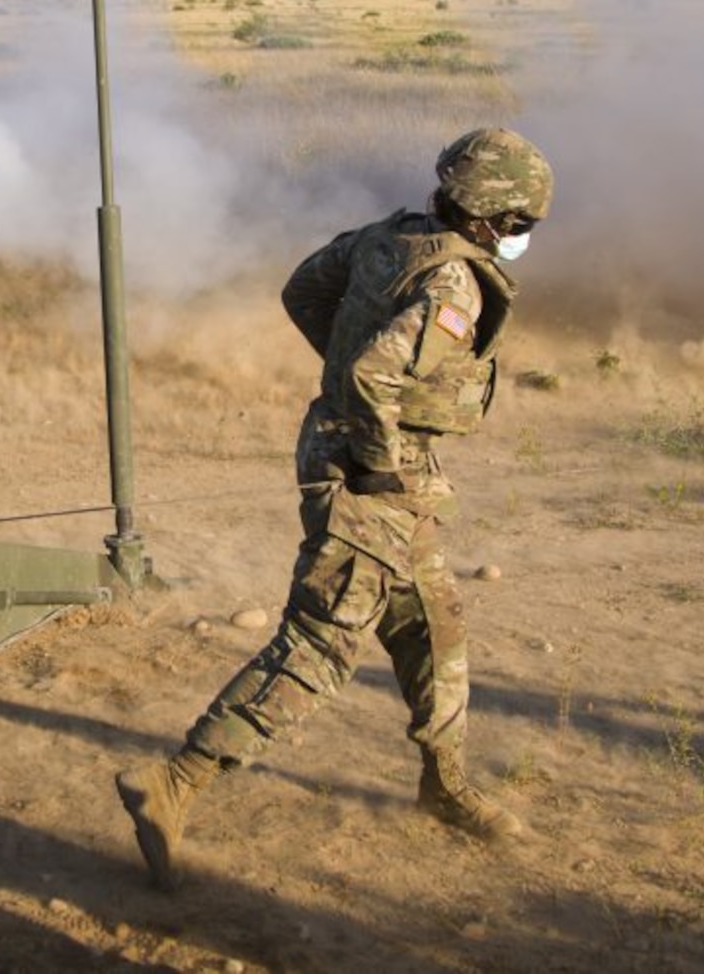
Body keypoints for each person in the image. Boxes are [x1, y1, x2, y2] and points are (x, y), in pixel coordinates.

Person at [116, 127, 553, 891]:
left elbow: (303, 290)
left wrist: (348, 380)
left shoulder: (389, 238)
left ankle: (444, 782)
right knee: (323, 643)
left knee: (432, 623)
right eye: (520, 225)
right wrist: (381, 463)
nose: (521, 238)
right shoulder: (452, 285)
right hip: (370, 473)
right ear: (488, 220)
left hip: (357, 456)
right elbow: (375, 375)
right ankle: (176, 784)